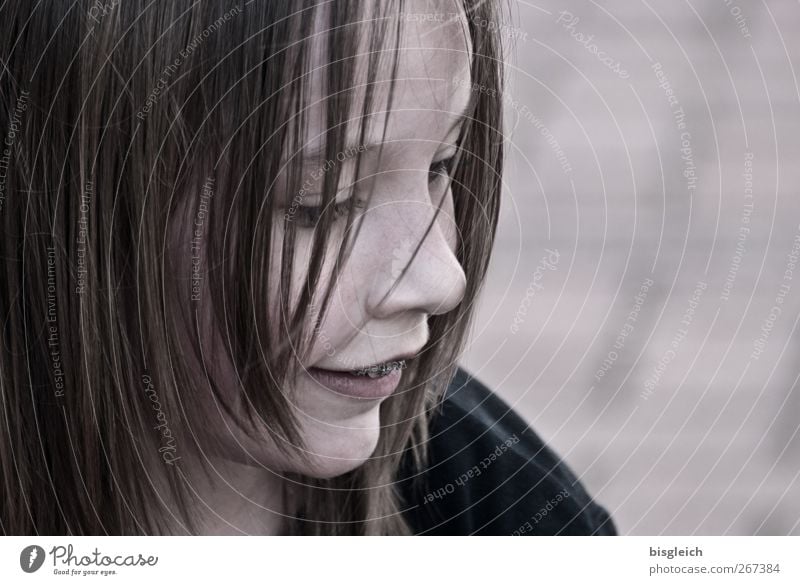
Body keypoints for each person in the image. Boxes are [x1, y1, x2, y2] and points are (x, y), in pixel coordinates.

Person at [0, 0, 615, 535]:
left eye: (440, 166)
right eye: (324, 205)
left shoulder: (512, 520)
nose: (442, 278)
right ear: (72, 215)